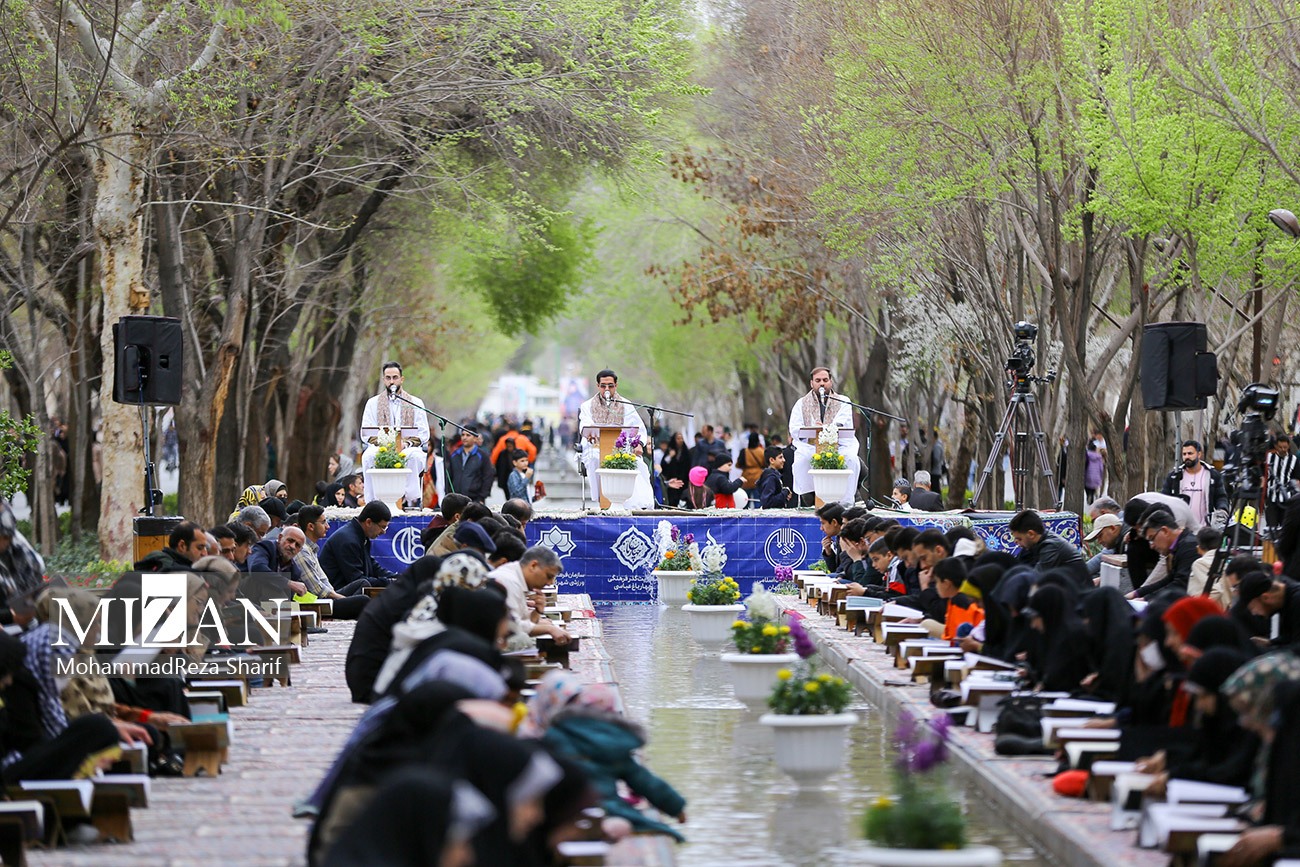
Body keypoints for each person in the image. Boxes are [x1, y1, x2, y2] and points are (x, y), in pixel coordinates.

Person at [523, 671, 687, 841]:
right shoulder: (610, 741)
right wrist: (676, 807)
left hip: (567, 811)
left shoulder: (550, 737)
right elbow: (643, 780)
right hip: (610, 809)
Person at [359, 361, 430, 510]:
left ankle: (408, 499)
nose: (392, 381)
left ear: (401, 379)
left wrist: (405, 444)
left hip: (407, 447)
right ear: (383, 379)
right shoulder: (372, 403)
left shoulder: (416, 402)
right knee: (368, 456)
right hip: (381, 447)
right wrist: (385, 444)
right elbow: (366, 432)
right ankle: (372, 502)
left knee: (414, 456)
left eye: (395, 377)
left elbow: (423, 433)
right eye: (388, 378)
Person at [787, 367, 860, 505]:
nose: (822, 383)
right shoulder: (801, 403)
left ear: (831, 382)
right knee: (802, 461)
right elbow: (794, 428)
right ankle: (809, 497)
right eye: (818, 380)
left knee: (851, 459)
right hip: (810, 445)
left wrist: (826, 427)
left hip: (839, 445)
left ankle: (846, 501)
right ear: (811, 383)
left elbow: (843, 422)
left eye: (825, 380)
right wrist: (814, 429)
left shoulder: (843, 401)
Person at [577, 370, 648, 504]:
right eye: (603, 386)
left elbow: (639, 428)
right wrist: (591, 434)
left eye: (610, 386)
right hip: (596, 447)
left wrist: (639, 444)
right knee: (595, 459)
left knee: (636, 462)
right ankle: (602, 501)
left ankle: (632, 503)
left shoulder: (626, 405)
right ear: (598, 386)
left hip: (623, 449)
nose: (607, 389)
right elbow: (585, 425)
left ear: (616, 385)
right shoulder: (587, 406)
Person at [486, 546, 571, 647]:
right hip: (483, 641)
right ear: (533, 565)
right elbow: (512, 626)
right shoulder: (510, 581)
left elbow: (524, 621)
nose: (550, 583)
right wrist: (550, 629)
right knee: (523, 640)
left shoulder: (517, 577)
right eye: (549, 576)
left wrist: (537, 611)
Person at [318, 501, 397, 591]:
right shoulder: (348, 540)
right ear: (368, 522)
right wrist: (389, 582)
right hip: (336, 593)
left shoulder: (360, 536)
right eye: (382, 527)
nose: (384, 532)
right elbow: (357, 579)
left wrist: (398, 578)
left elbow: (373, 567)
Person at [1008, 510, 1089, 586]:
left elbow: (1035, 578)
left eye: (1019, 539)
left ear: (1031, 534)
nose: (1015, 542)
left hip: (1078, 591)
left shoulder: (1050, 546)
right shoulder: (1035, 543)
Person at [1130, 510, 1200, 600]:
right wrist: (1137, 593)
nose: (1151, 546)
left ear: (1165, 531)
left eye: (1152, 539)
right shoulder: (1182, 544)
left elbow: (1181, 585)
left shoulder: (1189, 547)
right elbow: (1169, 580)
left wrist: (1146, 599)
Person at [1161, 440, 1229, 529]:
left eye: (1190, 453)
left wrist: (1222, 510)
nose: (1187, 457)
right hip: (1181, 529)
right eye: (1184, 454)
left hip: (1204, 529)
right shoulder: (1174, 477)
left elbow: (1221, 497)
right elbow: (1164, 498)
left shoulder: (1212, 475)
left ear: (1199, 454)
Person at [1237, 572, 1300, 648]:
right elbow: (1290, 636)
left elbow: (1297, 647)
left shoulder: (1297, 601)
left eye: (1253, 608)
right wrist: (1270, 642)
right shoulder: (1284, 600)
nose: (1254, 613)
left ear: (1265, 598)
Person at [134, 521, 208, 572]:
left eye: (206, 548)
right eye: (200, 548)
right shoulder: (172, 570)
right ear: (182, 546)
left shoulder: (160, 561)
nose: (205, 553)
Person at [446, 426, 493, 504]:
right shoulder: (455, 455)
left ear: (475, 438)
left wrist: (482, 497)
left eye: (468, 435)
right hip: (456, 499)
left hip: (475, 499)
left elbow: (488, 477)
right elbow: (449, 476)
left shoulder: (482, 456)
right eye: (463, 435)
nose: (464, 438)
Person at [1084, 512, 1123, 579]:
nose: (1099, 541)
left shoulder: (1128, 540)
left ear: (1112, 528)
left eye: (1100, 536)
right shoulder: (1117, 542)